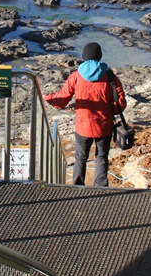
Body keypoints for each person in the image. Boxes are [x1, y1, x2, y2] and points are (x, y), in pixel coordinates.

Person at [43, 42, 126, 187]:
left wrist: (47, 97)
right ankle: (100, 186)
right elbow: (120, 104)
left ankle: (77, 185)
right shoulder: (110, 77)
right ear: (100, 56)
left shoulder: (76, 77)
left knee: (80, 157)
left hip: (83, 126)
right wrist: (108, 113)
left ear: (84, 57)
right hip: (104, 125)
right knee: (101, 157)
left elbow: (61, 101)